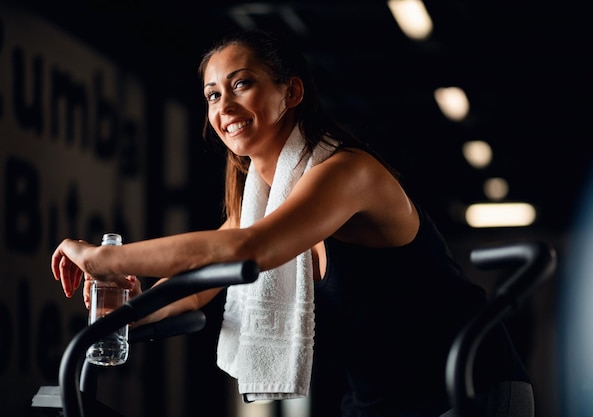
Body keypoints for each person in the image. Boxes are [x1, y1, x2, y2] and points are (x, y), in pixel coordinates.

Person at [51, 29, 532, 417]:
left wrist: (102, 257)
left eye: (242, 84)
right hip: (376, 402)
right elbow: (195, 287)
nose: (223, 106)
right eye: (212, 94)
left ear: (291, 91)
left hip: (468, 387)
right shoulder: (256, 203)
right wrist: (134, 306)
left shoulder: (349, 172)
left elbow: (249, 249)